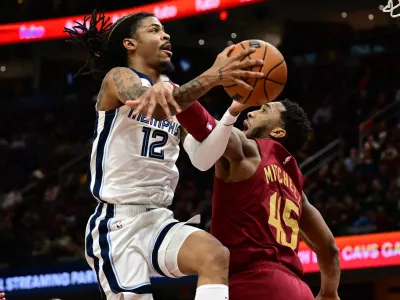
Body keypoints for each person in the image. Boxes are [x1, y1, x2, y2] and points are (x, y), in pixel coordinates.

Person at [65, 9, 265, 300]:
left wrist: (232, 111)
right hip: (118, 223)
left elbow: (202, 158)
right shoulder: (118, 77)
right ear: (130, 44)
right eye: (154, 30)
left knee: (215, 255)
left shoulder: (174, 91)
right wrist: (212, 76)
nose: (166, 35)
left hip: (159, 219)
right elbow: (154, 107)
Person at [182, 100, 341, 300]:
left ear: (278, 132)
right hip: (299, 291)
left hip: (253, 284)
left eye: (264, 110)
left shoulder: (249, 150)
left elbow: (205, 128)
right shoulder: (297, 190)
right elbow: (329, 249)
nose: (251, 113)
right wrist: (329, 292)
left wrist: (172, 94)